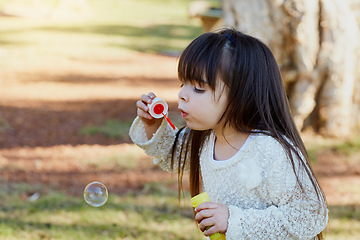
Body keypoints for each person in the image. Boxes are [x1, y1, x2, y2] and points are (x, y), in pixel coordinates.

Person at [129, 28, 328, 239]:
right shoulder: (207, 137)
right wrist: (152, 125)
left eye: (198, 88)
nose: (182, 95)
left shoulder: (267, 150)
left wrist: (233, 220)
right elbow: (173, 156)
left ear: (242, 94)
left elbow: (311, 214)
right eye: (183, 84)